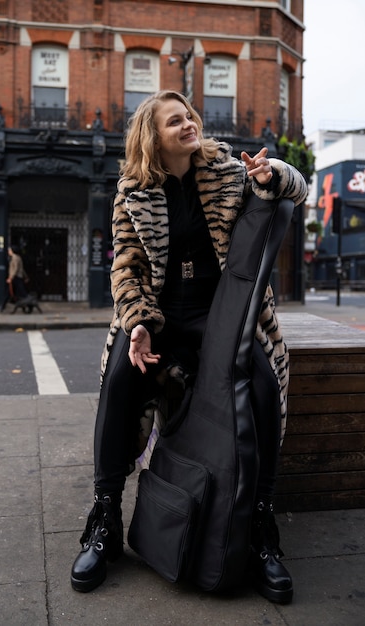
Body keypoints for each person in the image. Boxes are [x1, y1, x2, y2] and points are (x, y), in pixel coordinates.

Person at [70, 90, 308, 602]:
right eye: (175, 120)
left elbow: (296, 189)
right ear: (153, 135)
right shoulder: (133, 190)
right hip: (158, 314)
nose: (188, 124)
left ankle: (260, 525)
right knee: (118, 381)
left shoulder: (226, 172)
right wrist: (136, 323)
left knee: (263, 386)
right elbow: (127, 268)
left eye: (190, 116)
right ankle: (105, 515)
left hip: (219, 313)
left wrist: (274, 177)